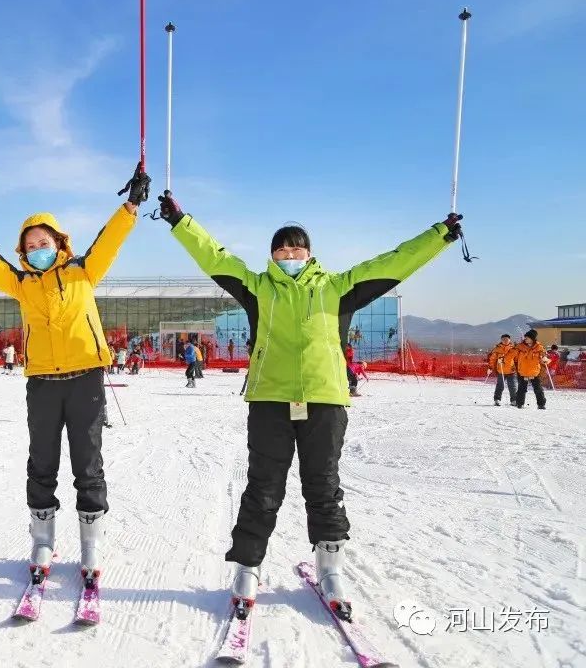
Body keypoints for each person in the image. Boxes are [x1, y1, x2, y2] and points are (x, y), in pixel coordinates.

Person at [155, 189, 461, 620]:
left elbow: (391, 263)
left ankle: (330, 568)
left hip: (324, 399)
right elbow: (216, 258)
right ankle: (247, 567)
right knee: (263, 486)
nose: (289, 253)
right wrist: (180, 221)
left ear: (310, 252)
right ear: (272, 256)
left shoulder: (338, 288)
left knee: (322, 484)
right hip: (269, 399)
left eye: (295, 247)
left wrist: (438, 236)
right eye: (281, 249)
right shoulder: (259, 288)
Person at [0, 162, 147, 588]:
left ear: (59, 243)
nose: (37, 249)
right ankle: (43, 540)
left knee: (88, 464)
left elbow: (112, 239)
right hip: (43, 385)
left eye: (43, 242)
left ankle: (91, 544)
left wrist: (132, 204)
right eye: (30, 246)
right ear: (23, 252)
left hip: (85, 380)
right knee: (42, 463)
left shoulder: (84, 271)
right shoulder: (21, 282)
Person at [509, 329, 549, 409]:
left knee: (538, 389)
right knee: (522, 389)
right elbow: (510, 355)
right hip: (522, 371)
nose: (525, 339)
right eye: (525, 337)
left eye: (527, 338)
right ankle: (519, 404)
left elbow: (544, 356)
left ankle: (541, 404)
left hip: (535, 372)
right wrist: (503, 359)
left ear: (532, 339)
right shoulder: (519, 347)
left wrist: (545, 359)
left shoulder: (539, 347)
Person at [487, 334, 516, 407]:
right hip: (501, 370)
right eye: (503, 339)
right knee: (500, 386)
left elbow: (518, 359)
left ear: (510, 340)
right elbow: (492, 359)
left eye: (507, 339)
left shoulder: (514, 348)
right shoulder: (497, 349)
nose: (505, 341)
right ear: (501, 340)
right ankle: (497, 399)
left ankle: (514, 400)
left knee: (512, 386)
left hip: (511, 370)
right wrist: (490, 367)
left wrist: (517, 367)